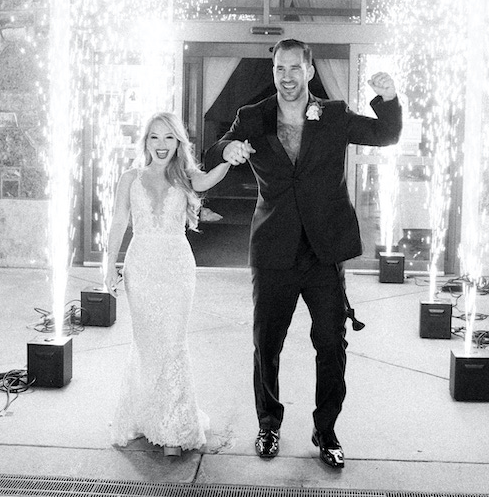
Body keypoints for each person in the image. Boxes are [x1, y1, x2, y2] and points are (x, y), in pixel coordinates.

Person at [206, 38, 402, 469]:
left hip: (323, 252)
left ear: (310, 70)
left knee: (331, 343)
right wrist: (228, 149)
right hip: (274, 250)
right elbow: (211, 150)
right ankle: (268, 423)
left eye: (296, 68)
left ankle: (326, 428)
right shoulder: (252, 117)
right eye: (280, 69)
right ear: (273, 71)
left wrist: (388, 98)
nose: (288, 76)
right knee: (266, 343)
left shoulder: (331, 115)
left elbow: (384, 134)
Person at [101, 112, 231, 457]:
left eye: (168, 138)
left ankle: (174, 428)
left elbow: (210, 179)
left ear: (178, 142)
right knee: (147, 343)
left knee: (173, 342)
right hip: (140, 267)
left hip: (177, 267)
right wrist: (108, 266)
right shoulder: (130, 178)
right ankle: (149, 416)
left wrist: (230, 160)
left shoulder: (186, 177)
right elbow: (118, 223)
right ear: (145, 142)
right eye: (154, 138)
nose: (161, 145)